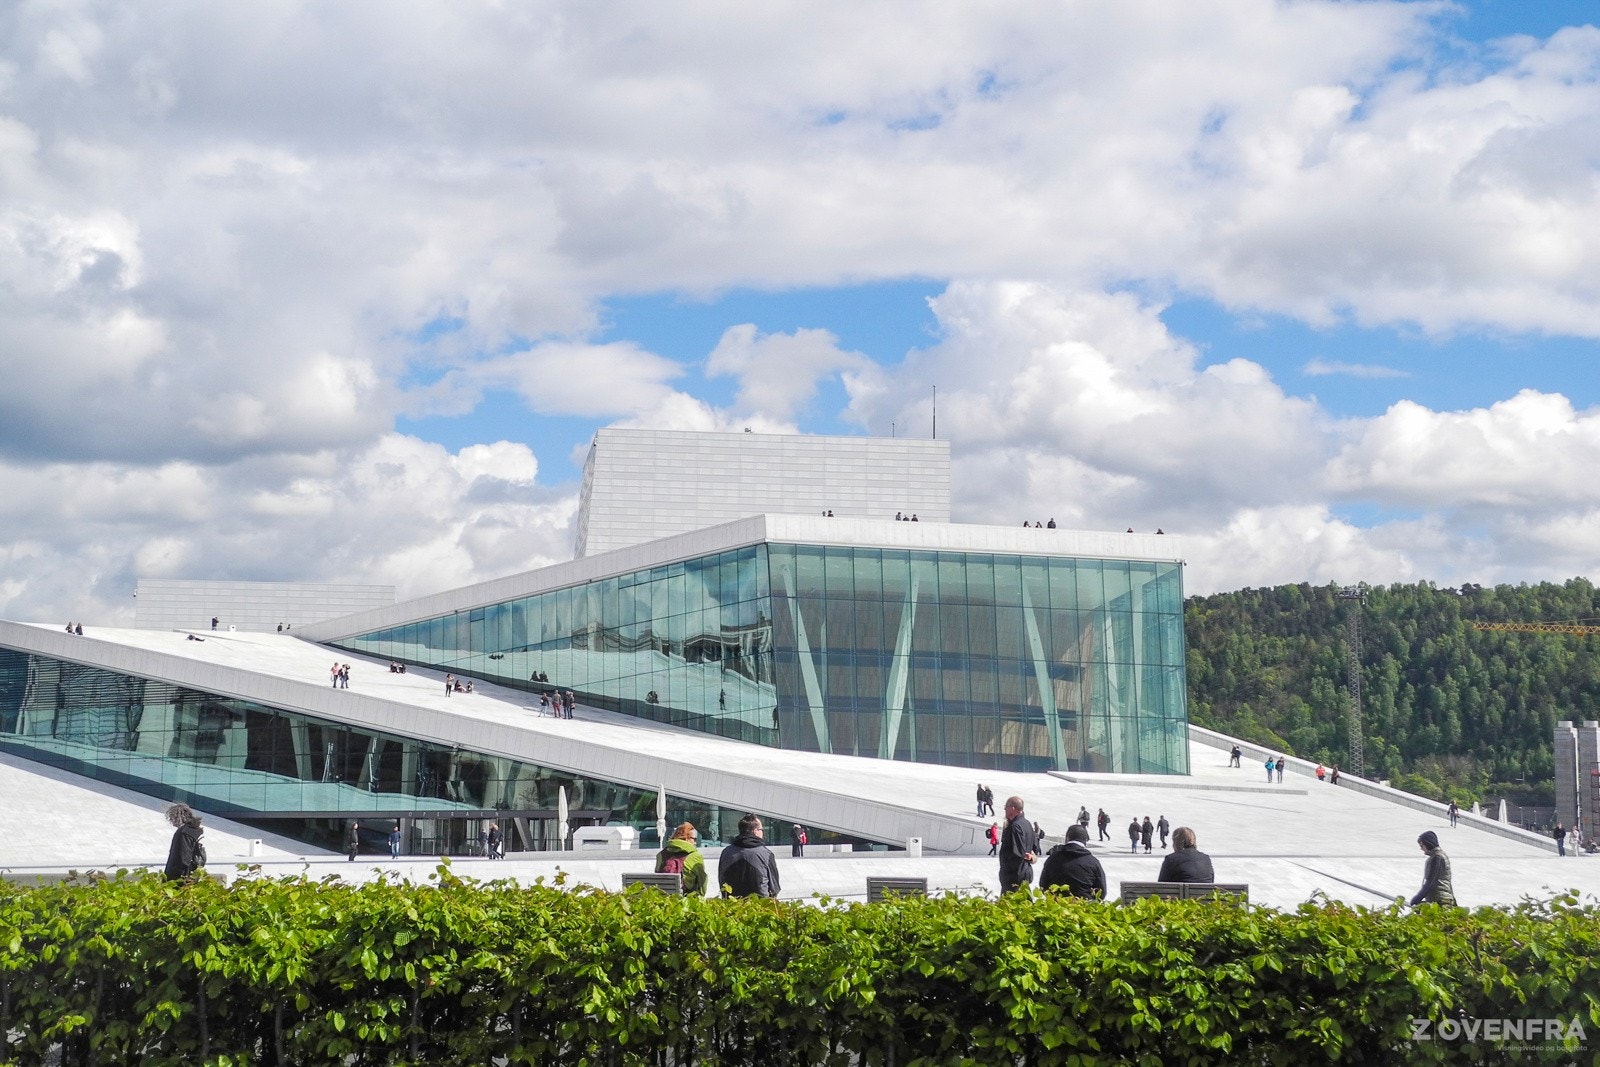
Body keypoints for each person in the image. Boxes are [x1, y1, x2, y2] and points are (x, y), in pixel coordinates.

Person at [718, 813, 781, 898]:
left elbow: (722, 880)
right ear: (755, 831)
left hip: (732, 906)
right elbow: (774, 888)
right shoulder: (766, 854)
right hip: (759, 906)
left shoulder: (726, 852)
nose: (762, 832)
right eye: (761, 829)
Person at [1038, 824, 1106, 900]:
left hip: (1056, 907)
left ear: (1067, 838)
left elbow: (1043, 886)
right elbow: (1101, 892)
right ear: (1085, 840)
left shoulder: (1053, 859)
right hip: (1083, 908)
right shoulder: (1093, 862)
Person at [998, 796, 1038, 893]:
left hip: (1014, 875)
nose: (1004, 809)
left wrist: (1005, 872)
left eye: (1006, 806)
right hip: (1025, 872)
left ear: (1012, 808)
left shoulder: (1015, 826)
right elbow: (1035, 847)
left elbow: (1017, 853)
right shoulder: (1027, 824)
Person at [656, 822, 709, 895]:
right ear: (686, 838)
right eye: (694, 839)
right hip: (686, 899)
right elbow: (702, 884)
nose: (695, 843)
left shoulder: (661, 854)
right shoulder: (695, 856)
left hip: (663, 898)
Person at [1409, 831, 1455, 906]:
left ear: (1428, 843)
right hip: (1441, 899)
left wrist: (1417, 898)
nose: (1421, 848)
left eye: (1421, 845)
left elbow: (1431, 881)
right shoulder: (1439, 855)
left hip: (1440, 901)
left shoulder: (1437, 857)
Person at [163, 803, 207, 881]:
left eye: (172, 818)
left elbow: (183, 857)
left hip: (180, 876)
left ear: (178, 817)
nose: (171, 821)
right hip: (193, 873)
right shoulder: (196, 830)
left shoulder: (184, 832)